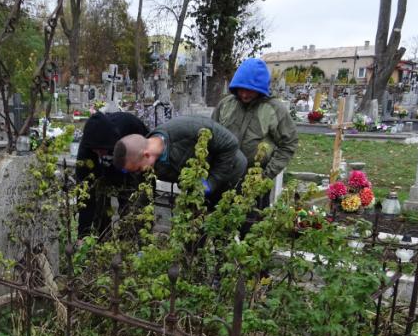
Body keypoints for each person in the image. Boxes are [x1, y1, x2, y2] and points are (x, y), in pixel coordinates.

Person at [212, 58, 298, 206]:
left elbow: (288, 144)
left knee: (250, 225)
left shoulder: (274, 109)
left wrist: (266, 176)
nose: (244, 95)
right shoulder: (226, 104)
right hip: (222, 176)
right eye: (241, 89)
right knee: (215, 222)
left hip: (254, 182)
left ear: (260, 89)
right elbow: (211, 134)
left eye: (250, 91)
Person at [113, 116, 247, 207]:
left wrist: (211, 183)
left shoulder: (189, 129)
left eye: (137, 169)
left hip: (231, 174)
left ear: (146, 155)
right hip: (197, 187)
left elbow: (231, 145)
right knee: (193, 232)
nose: (138, 173)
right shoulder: (146, 163)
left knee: (222, 230)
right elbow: (144, 194)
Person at [75, 112, 149, 239]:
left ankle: (133, 245)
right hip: (105, 174)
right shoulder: (86, 149)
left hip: (133, 168)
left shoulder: (130, 129)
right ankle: (102, 243)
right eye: (96, 150)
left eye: (103, 149)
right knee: (100, 209)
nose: (100, 153)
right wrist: (83, 235)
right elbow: (85, 193)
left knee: (133, 211)